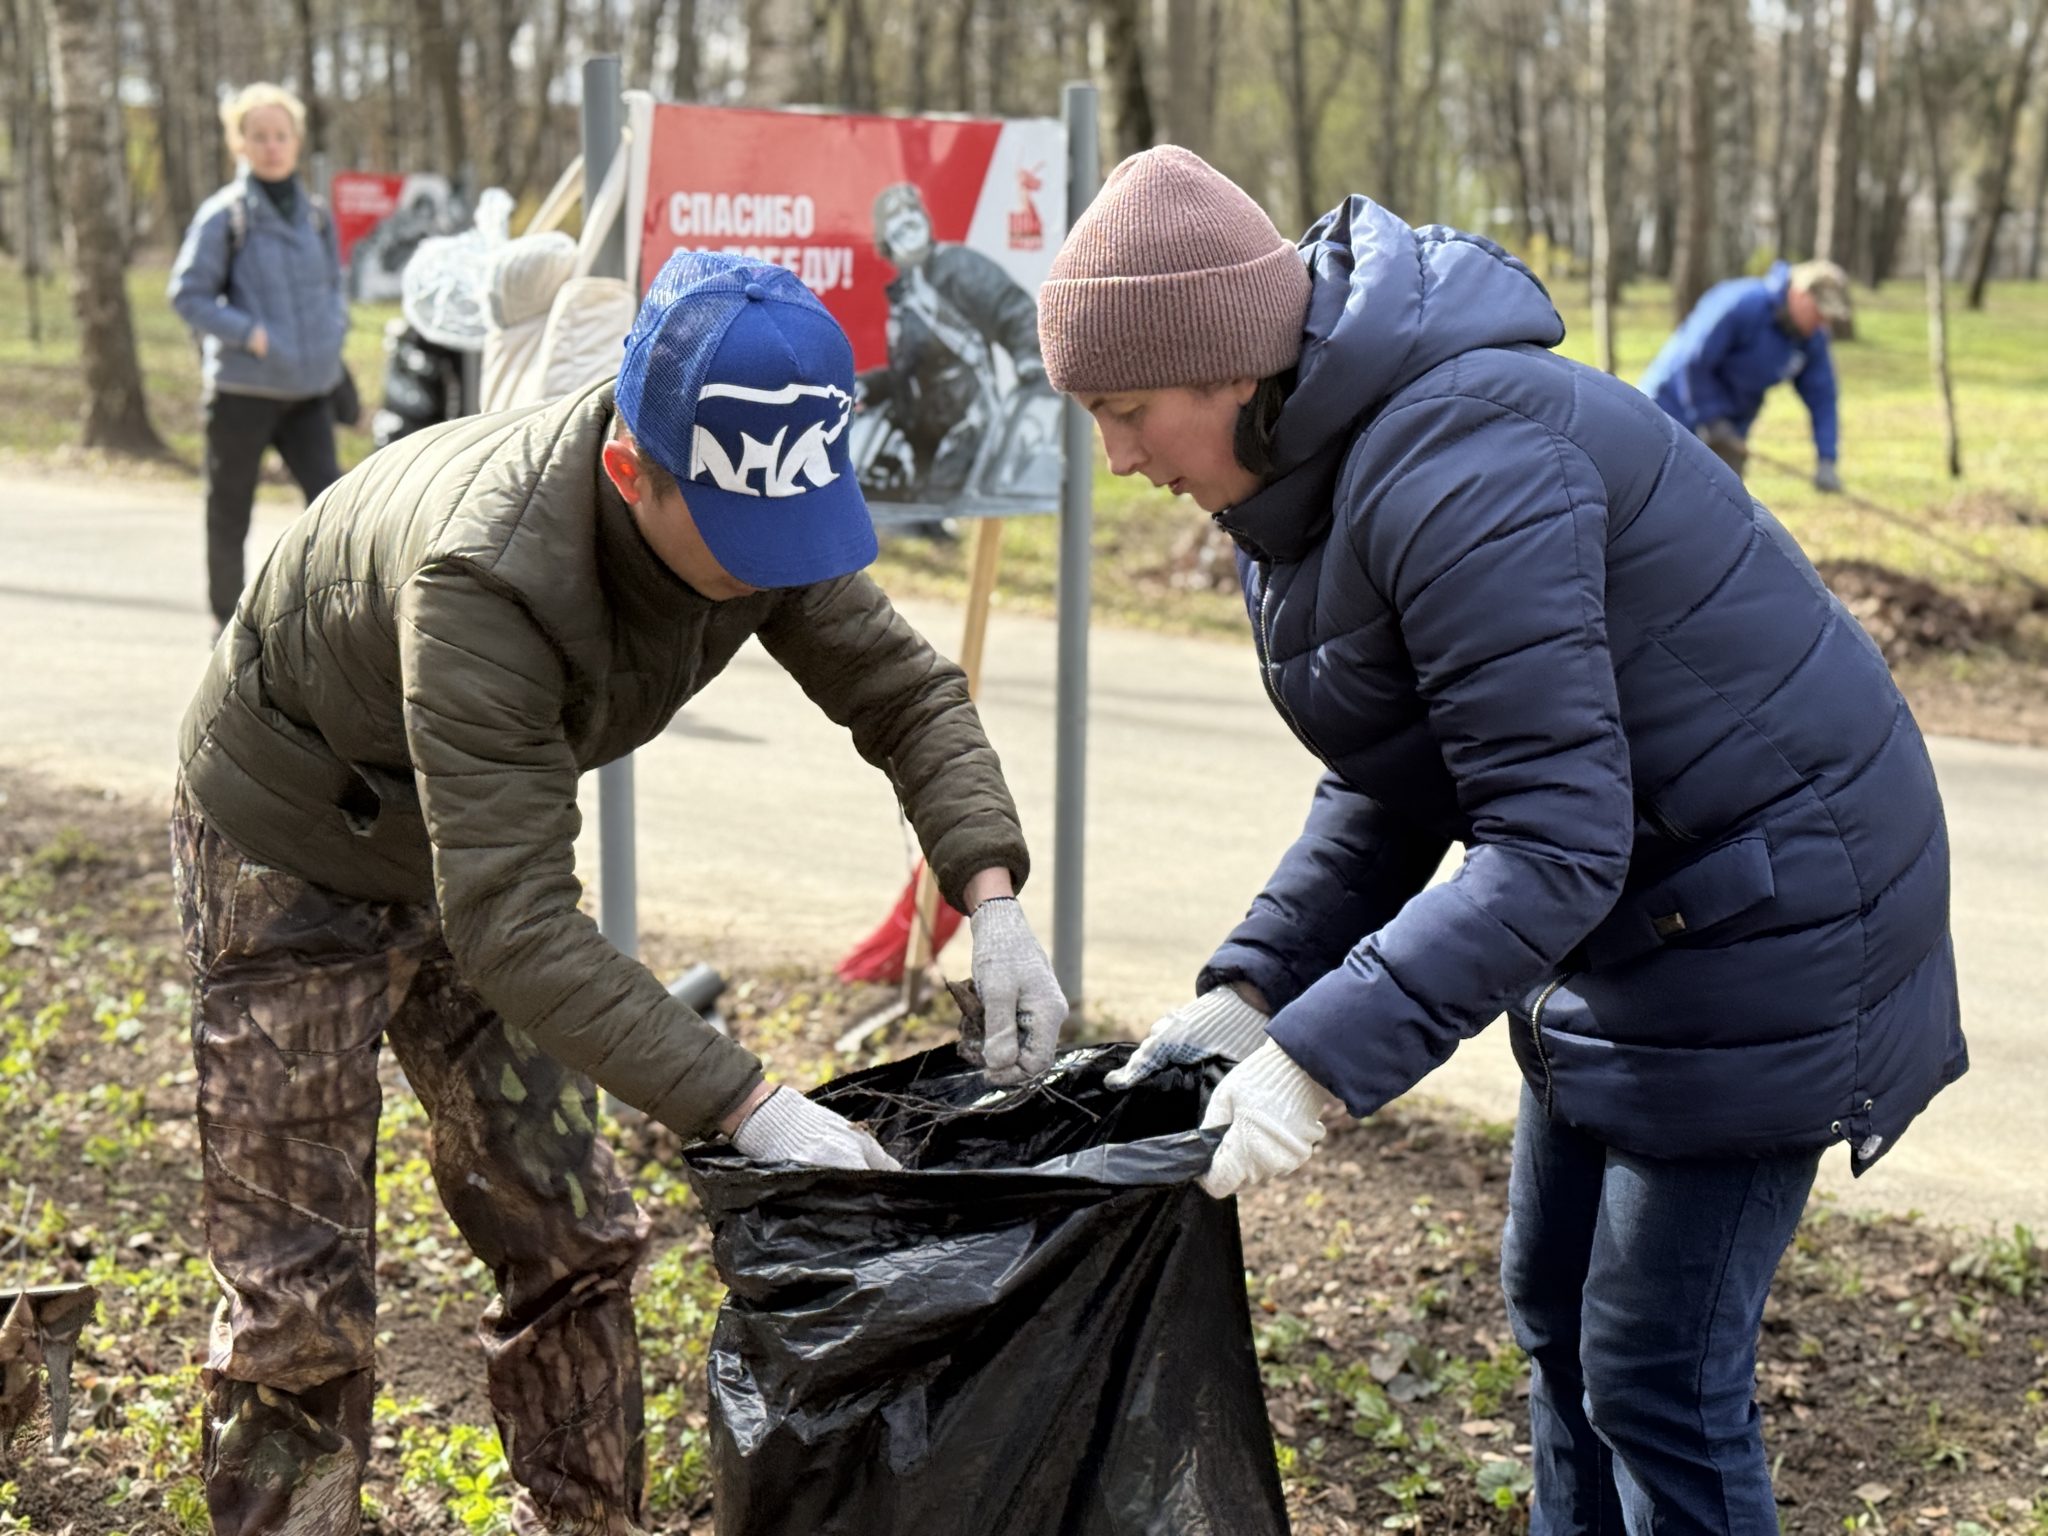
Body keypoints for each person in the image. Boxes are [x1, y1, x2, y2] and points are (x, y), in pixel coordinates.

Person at [1043, 148, 1963, 1534]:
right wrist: (1252, 992)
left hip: (1774, 912)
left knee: (1656, 1373)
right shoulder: (1305, 476)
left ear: (1232, 364)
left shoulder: (1464, 461)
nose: (1115, 457)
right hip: (1644, 902)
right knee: (1553, 1311)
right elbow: (1405, 774)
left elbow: (1549, 844)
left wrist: (1317, 1062)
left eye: (1126, 411)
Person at [171, 250, 1067, 1536]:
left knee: (571, 1235)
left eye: (788, 534)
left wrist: (991, 902)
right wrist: (751, 1107)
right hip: (294, 837)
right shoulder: (487, 577)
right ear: (626, 470)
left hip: (481, 839)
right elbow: (516, 927)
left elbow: (906, 693)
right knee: (299, 1292)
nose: (770, 568)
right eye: (739, 537)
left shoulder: (763, 503)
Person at [169, 82, 351, 635]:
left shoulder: (317, 216)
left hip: (309, 393)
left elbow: (332, 287)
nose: (272, 146)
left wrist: (333, 331)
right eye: (259, 136)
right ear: (239, 144)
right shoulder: (224, 216)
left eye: (281, 135)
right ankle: (226, 630)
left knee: (335, 510)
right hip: (242, 396)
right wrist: (249, 333)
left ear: (296, 141)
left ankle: (333, 625)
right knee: (229, 515)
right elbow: (187, 294)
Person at [856, 181, 1047, 507]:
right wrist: (867, 385)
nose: (907, 226)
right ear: (885, 241)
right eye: (896, 224)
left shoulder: (958, 266)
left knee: (936, 508)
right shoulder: (904, 298)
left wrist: (1031, 359)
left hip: (967, 429)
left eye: (911, 216)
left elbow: (1011, 308)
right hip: (924, 442)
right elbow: (911, 375)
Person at [1638, 258, 1852, 490]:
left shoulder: (1810, 339)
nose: (1823, 322)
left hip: (1730, 428)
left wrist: (1826, 459)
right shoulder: (1744, 304)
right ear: (1799, 295)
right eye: (1819, 312)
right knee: (1658, 495)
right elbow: (1694, 362)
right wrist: (1711, 419)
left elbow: (1823, 397)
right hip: (1670, 407)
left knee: (1722, 503)